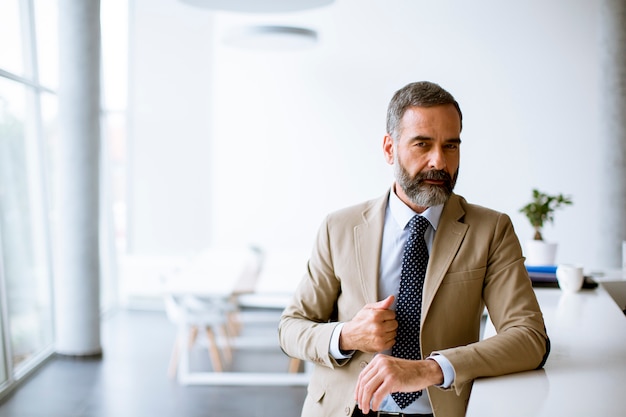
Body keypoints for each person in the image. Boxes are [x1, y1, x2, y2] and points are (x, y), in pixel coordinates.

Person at [278, 81, 549, 417]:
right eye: (423, 144)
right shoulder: (339, 227)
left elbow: (529, 338)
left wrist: (429, 369)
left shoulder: (491, 230)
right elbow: (291, 328)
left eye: (451, 146)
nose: (439, 160)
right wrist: (347, 335)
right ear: (389, 148)